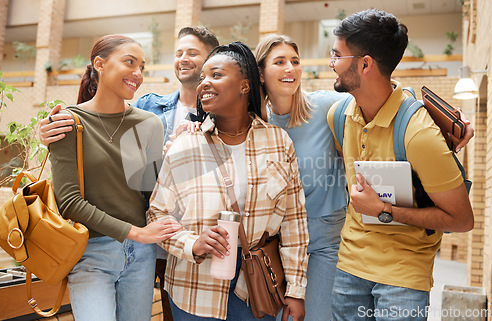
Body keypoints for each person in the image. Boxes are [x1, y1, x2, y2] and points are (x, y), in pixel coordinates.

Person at [39, 26, 219, 321]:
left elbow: (151, 193)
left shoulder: (148, 123)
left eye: (142, 66)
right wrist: (137, 232)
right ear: (100, 64)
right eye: (129, 62)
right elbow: (69, 202)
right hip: (91, 254)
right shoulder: (68, 121)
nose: (137, 72)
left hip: (142, 255)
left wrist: (180, 154)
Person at [325, 10, 474, 321]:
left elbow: (461, 220)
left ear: (365, 64)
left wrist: (385, 210)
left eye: (337, 55)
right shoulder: (338, 116)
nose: (331, 63)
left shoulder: (419, 133)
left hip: (403, 278)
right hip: (349, 267)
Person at [146, 42, 309, 321]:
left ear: (245, 86)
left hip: (256, 287)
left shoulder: (278, 142)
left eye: (216, 75)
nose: (204, 84)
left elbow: (294, 222)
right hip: (193, 289)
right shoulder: (184, 145)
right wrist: (192, 242)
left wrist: (296, 290)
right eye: (202, 78)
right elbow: (156, 214)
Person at [255, 34, 348, 321]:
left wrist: (446, 121)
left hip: (324, 239)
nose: (291, 69)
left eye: (295, 61)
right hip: (276, 241)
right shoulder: (257, 124)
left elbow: (383, 98)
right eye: (280, 62)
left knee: (317, 316)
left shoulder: (328, 107)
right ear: (260, 72)